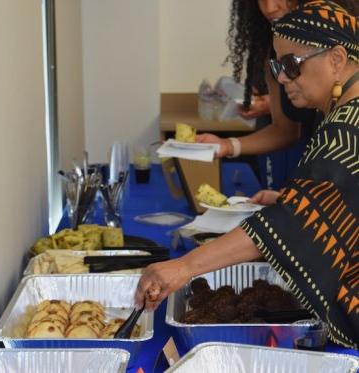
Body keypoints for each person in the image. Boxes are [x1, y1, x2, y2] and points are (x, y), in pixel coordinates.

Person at [135, 0, 359, 349]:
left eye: (291, 64)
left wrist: (184, 266)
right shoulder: (343, 114)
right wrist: (293, 200)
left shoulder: (348, 129)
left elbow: (290, 225)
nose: (282, 77)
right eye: (277, 64)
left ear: (336, 60)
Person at [196, 0, 358, 161]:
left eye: (292, 65)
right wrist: (227, 145)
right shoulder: (273, 51)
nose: (270, 8)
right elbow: (284, 130)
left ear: (337, 60)